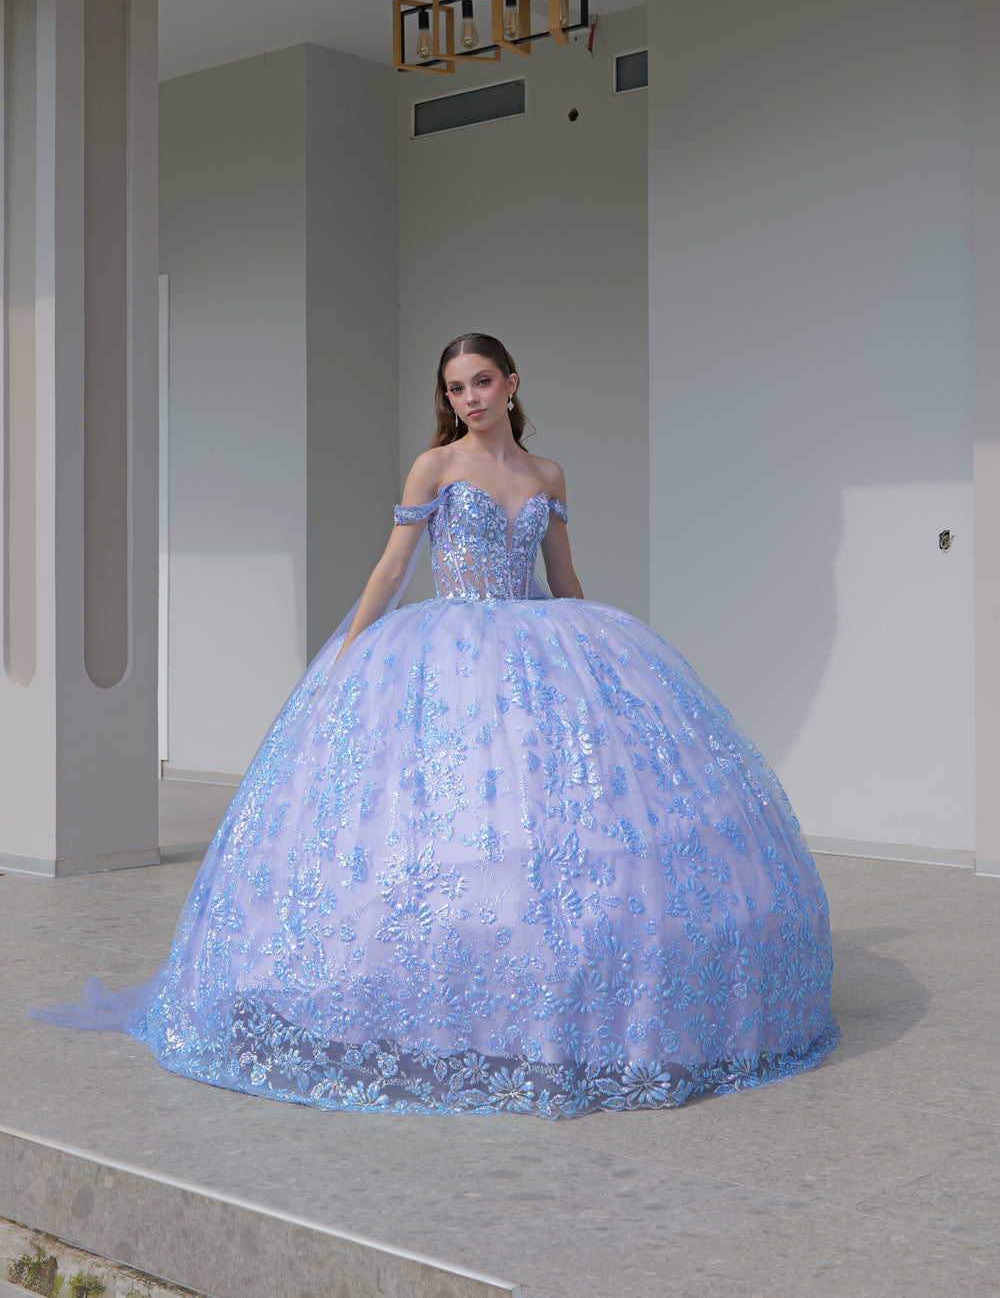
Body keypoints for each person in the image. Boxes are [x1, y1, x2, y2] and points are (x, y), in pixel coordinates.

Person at [34, 333, 838, 1117]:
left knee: (554, 822)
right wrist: (347, 655)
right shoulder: (436, 466)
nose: (469, 398)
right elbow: (393, 566)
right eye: (455, 388)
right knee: (448, 811)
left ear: (513, 383)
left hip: (538, 642)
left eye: (482, 382)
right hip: (449, 643)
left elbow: (563, 580)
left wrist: (594, 670)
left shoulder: (546, 473)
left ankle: (558, 987)